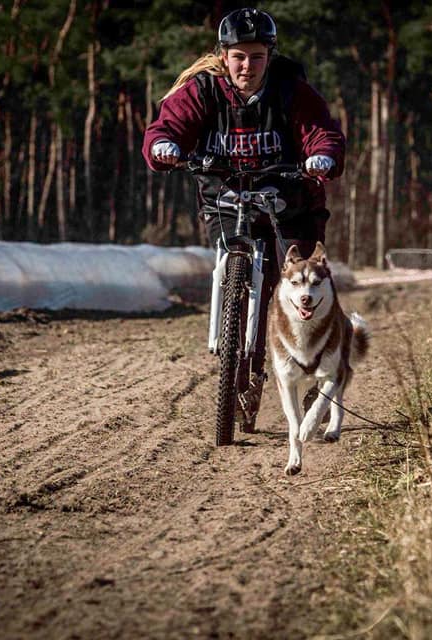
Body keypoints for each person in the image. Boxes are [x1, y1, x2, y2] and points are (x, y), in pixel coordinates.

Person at [142, 7, 346, 428]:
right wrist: (164, 145)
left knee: (302, 287)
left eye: (256, 56)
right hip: (227, 199)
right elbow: (166, 126)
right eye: (238, 56)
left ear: (269, 56)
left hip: (291, 204)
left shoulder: (292, 91)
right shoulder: (203, 90)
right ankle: (242, 372)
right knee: (242, 278)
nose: (247, 66)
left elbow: (321, 132)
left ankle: (324, 371)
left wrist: (323, 155)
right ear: (224, 56)